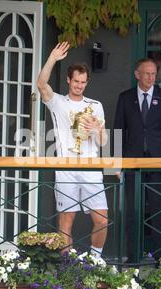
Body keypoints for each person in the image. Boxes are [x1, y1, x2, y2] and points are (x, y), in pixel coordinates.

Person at [37, 42, 109, 258]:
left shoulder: (95, 105)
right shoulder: (58, 102)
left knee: (102, 219)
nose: (79, 85)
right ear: (69, 80)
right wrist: (52, 58)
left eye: (83, 82)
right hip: (66, 167)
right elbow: (41, 84)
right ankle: (67, 268)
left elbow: (104, 142)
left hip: (91, 168)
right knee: (66, 220)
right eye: (76, 81)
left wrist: (97, 130)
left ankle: (95, 260)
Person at [114, 58, 161, 262]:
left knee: (160, 210)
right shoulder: (125, 97)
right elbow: (117, 132)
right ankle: (133, 257)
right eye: (147, 73)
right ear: (137, 74)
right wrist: (116, 164)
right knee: (132, 211)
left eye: (153, 74)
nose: (151, 77)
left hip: (159, 164)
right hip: (133, 165)